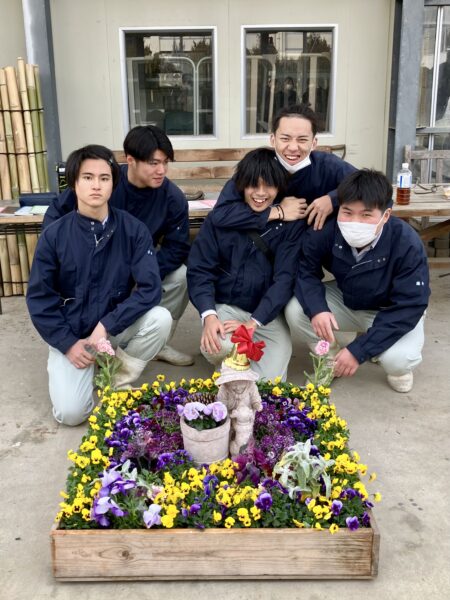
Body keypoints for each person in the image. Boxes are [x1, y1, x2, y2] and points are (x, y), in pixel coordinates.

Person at [26, 145, 172, 426]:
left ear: (113, 184)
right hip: (73, 334)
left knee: (160, 318)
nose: (96, 185)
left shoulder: (133, 229)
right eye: (88, 177)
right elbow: (40, 299)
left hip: (111, 329)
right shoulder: (54, 235)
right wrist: (67, 344)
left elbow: (150, 289)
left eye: (104, 178)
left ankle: (118, 378)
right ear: (74, 183)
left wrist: (106, 325)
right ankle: (73, 364)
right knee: (71, 414)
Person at [43, 125, 193, 366]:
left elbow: (177, 248)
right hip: (95, 260)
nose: (162, 170)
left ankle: (156, 341)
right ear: (130, 160)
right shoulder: (104, 182)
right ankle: (85, 336)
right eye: (154, 163)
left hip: (141, 260)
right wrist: (57, 251)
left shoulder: (172, 197)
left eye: (166, 163)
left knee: (181, 276)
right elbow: (57, 212)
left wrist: (142, 271)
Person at [285, 168, 430, 393]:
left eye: (366, 215)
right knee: (297, 310)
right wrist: (317, 309)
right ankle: (329, 357)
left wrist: (358, 351)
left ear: (386, 216)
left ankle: (396, 366)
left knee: (398, 360)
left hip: (390, 310)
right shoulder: (326, 230)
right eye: (347, 212)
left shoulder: (407, 242)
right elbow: (305, 272)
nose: (355, 222)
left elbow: (410, 305)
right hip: (349, 300)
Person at [187, 148, 304, 380]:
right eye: (252, 185)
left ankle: (239, 360)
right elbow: (200, 270)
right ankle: (227, 361)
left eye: (268, 186)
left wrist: (254, 322)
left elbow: (285, 279)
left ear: (279, 187)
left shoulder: (290, 225)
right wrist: (208, 315)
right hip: (227, 307)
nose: (260, 193)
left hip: (264, 315)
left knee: (271, 381)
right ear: (241, 185)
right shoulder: (222, 218)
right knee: (218, 345)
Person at [210, 104, 356, 232]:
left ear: (314, 143)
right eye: (285, 138)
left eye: (302, 140)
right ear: (273, 140)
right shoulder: (260, 167)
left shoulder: (329, 165)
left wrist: (333, 199)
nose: (293, 147)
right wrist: (277, 211)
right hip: (268, 244)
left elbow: (365, 184)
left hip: (314, 243)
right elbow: (221, 213)